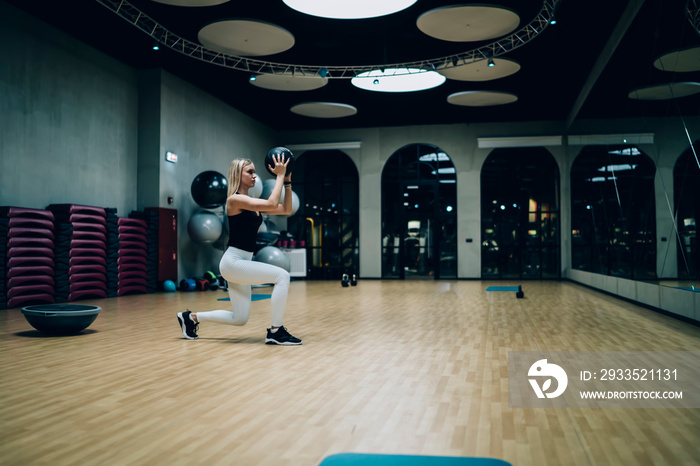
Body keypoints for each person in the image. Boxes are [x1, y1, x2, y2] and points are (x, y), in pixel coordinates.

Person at [177, 154, 301, 345]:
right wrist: (279, 175)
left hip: (241, 263)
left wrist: (287, 181)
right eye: (250, 172)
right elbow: (271, 203)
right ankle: (276, 331)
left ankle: (191, 317)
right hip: (233, 262)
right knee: (282, 276)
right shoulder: (234, 200)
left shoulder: (252, 203)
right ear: (238, 174)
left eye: (254, 172)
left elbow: (286, 209)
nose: (254, 176)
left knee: (239, 318)